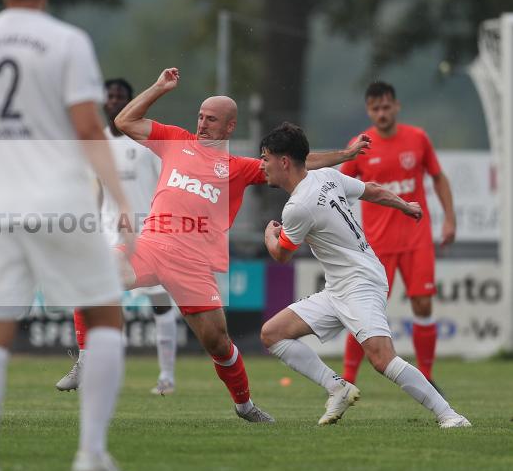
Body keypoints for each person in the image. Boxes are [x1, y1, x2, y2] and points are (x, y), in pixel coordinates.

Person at [0, 0, 136, 471]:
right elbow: (86, 127)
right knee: (105, 317)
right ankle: (91, 452)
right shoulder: (68, 41)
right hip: (61, 201)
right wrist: (120, 199)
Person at [93, 67, 370, 424]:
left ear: (229, 127)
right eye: (200, 116)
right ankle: (89, 361)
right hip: (152, 245)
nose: (202, 124)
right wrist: (160, 88)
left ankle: (244, 406)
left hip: (194, 264)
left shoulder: (238, 167)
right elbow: (125, 120)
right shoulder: (176, 140)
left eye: (211, 119)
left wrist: (344, 156)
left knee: (219, 344)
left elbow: (296, 165)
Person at [258, 122, 469, 428]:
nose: (261, 165)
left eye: (265, 158)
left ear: (284, 161)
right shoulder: (327, 176)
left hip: (360, 283)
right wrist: (405, 205)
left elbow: (281, 254)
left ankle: (450, 415)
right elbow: (372, 190)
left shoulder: (297, 208)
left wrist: (269, 235)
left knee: (382, 358)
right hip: (341, 286)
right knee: (272, 333)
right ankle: (337, 387)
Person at [55, 78, 181, 396]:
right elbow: (99, 189)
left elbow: (166, 182)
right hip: (111, 233)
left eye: (120, 96)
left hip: (149, 232)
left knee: (160, 304)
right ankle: (100, 371)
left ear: (129, 100)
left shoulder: (146, 143)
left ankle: (166, 376)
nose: (114, 101)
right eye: (110, 96)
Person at [340, 82, 455, 392]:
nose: (382, 113)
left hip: (417, 239)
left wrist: (449, 220)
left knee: (422, 304)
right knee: (366, 312)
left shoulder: (417, 139)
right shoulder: (360, 145)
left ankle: (427, 378)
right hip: (378, 245)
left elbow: (438, 177)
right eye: (376, 108)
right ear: (369, 111)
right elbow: (337, 188)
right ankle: (347, 381)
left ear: (396, 106)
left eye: (386, 106)